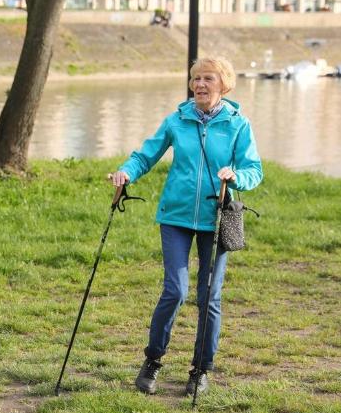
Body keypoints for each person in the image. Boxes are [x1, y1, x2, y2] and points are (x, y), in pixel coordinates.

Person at [108, 57, 262, 395]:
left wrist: (236, 175)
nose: (200, 85)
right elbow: (144, 156)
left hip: (216, 217)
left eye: (208, 79)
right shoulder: (177, 120)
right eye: (196, 79)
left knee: (209, 297)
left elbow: (254, 169)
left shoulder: (238, 125)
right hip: (175, 216)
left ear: (224, 84)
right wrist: (125, 172)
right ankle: (153, 360)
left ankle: (200, 370)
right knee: (175, 290)